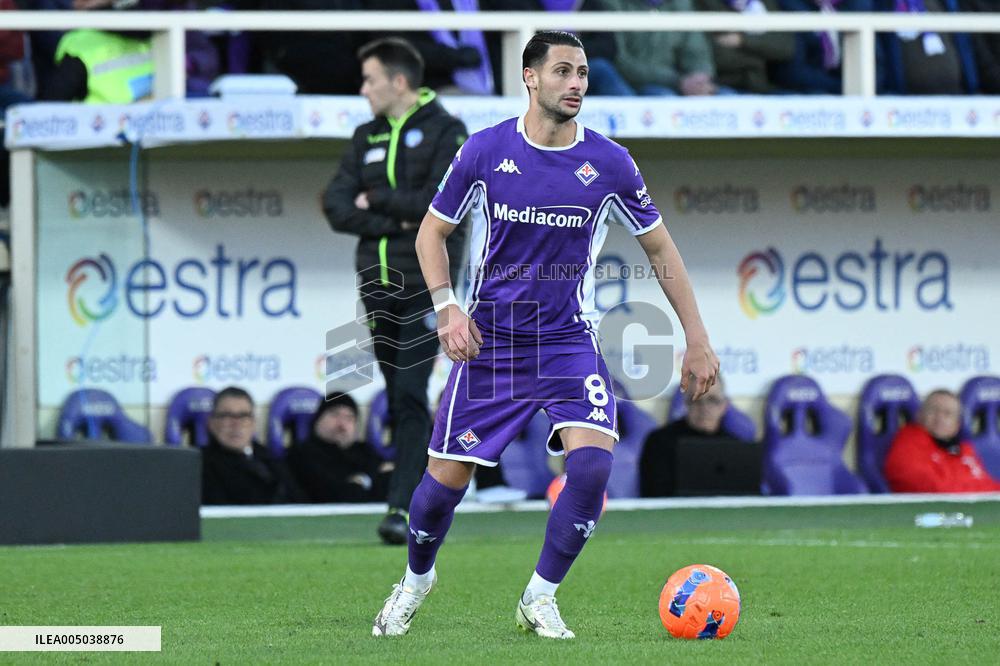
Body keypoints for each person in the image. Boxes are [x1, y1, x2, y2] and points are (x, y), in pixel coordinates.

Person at [371, 31, 719, 639]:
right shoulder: (484, 152)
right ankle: (416, 580)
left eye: (583, 73)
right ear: (530, 78)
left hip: (565, 341)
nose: (577, 83)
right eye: (563, 71)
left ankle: (540, 596)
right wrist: (448, 308)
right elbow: (430, 234)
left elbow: (660, 247)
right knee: (436, 495)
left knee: (590, 469)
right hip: (493, 346)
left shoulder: (610, 162)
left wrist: (697, 337)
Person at [323, 37, 468, 545]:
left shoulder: (447, 130)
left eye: (369, 79)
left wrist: (379, 200)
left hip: (425, 287)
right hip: (376, 287)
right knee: (396, 394)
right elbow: (336, 206)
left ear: (399, 81)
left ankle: (403, 506)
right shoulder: (365, 136)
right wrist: (401, 218)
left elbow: (440, 206)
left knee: (408, 393)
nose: (363, 90)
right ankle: (422, 490)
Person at [639, 379, 746, 497]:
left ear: (724, 406)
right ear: (686, 404)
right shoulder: (659, 442)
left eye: (712, 400)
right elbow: (654, 495)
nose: (704, 408)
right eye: (696, 399)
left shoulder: (736, 448)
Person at [201, 386, 304, 505]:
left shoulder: (272, 459)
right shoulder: (200, 465)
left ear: (253, 423)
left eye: (243, 416)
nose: (236, 424)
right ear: (212, 423)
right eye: (227, 416)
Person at [883, 390, 1000, 494]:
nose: (940, 418)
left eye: (947, 413)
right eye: (933, 411)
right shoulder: (908, 443)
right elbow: (938, 489)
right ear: (919, 415)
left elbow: (987, 484)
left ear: (957, 424)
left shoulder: (964, 449)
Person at [286, 392, 395, 503]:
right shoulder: (302, 454)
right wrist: (369, 481)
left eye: (349, 418)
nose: (342, 424)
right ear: (318, 419)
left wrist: (360, 482)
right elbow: (330, 494)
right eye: (335, 414)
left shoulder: (366, 451)